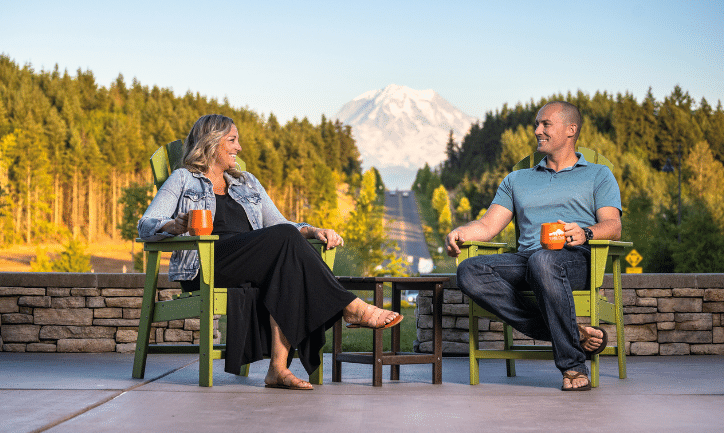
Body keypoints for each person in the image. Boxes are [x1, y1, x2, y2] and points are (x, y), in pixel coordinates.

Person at [138, 114, 403, 390]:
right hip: (207, 264)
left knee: (285, 262)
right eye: (232, 140)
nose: (239, 147)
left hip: (252, 261)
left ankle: (277, 368)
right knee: (284, 247)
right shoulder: (182, 179)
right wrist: (173, 224)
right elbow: (145, 224)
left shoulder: (247, 182)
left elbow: (281, 226)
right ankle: (351, 307)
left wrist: (313, 231)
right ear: (211, 144)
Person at [445, 101, 621, 392]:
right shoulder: (517, 179)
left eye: (545, 124)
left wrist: (586, 232)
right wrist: (462, 232)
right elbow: (488, 226)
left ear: (570, 130)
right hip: (526, 259)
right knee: (469, 270)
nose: (537, 130)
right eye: (536, 124)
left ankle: (573, 366)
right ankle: (572, 334)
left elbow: (613, 226)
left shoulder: (598, 175)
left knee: (544, 261)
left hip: (574, 258)